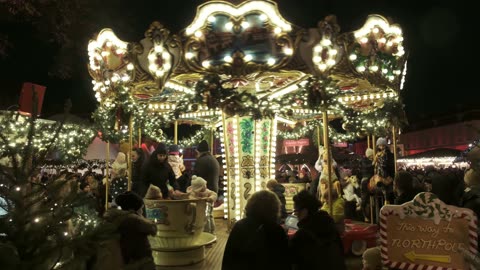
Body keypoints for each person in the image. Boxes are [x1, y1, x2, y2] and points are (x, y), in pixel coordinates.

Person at [222, 190, 290, 270]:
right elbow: (284, 262)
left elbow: (229, 257)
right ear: (275, 208)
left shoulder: (240, 226)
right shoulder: (277, 230)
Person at [289, 190, 346, 270]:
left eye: (296, 211)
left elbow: (291, 260)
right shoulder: (330, 226)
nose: (296, 215)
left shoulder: (302, 235)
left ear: (305, 211)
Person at [103, 191, 157, 269]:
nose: (142, 211)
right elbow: (152, 228)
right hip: (138, 262)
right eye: (141, 209)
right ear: (133, 209)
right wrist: (140, 217)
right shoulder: (133, 221)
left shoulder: (113, 218)